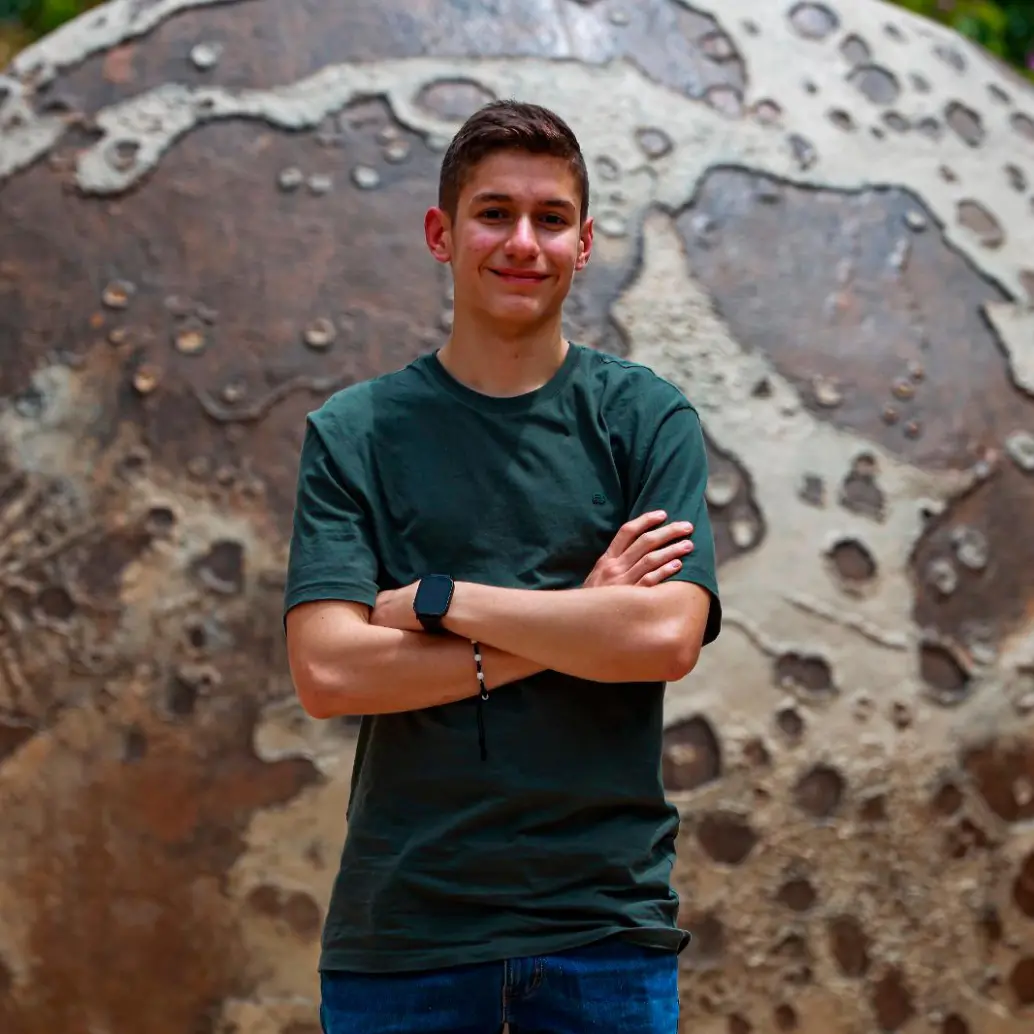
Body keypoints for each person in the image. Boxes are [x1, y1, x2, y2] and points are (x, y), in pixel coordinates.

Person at [284, 99, 722, 1034]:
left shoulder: (646, 420)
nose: (523, 242)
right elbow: (328, 672)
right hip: (403, 942)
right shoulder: (356, 432)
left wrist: (440, 602)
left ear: (585, 243)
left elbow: (663, 637)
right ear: (441, 234)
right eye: (494, 214)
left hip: (604, 934)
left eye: (551, 219)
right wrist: (581, 617)